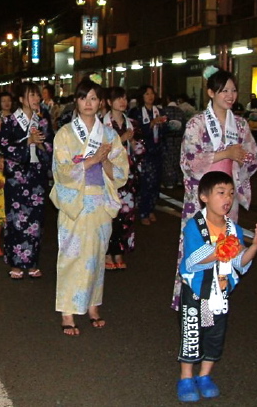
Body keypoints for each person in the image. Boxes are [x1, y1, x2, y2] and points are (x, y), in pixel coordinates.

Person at [173, 67, 257, 310]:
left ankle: (216, 300)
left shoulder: (241, 125)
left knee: (224, 244)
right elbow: (189, 159)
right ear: (211, 92)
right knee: (199, 243)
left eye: (233, 90)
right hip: (202, 196)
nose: (230, 95)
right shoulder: (197, 123)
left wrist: (244, 158)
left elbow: (253, 155)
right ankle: (192, 300)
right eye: (224, 91)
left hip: (226, 196)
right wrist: (225, 153)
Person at [177, 171, 257, 402]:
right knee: (192, 333)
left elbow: (240, 261)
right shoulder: (194, 226)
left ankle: (205, 375)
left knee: (215, 334)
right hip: (197, 291)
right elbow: (192, 260)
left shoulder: (233, 228)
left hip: (220, 291)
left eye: (230, 193)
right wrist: (219, 250)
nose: (227, 198)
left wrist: (255, 246)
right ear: (204, 197)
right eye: (220, 193)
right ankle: (186, 377)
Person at [51, 80, 129, 336]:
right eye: (84, 98)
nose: (88, 103)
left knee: (96, 257)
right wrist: (92, 160)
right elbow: (61, 171)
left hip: (99, 203)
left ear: (100, 103)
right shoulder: (64, 134)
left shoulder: (108, 135)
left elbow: (119, 174)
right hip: (75, 202)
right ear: (77, 101)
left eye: (94, 98)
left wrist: (104, 161)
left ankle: (94, 306)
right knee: (71, 256)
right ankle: (67, 311)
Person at [0, 82, 53, 279]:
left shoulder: (43, 120)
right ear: (21, 99)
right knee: (16, 220)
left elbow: (50, 146)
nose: (35, 99)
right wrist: (27, 142)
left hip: (36, 175)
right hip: (17, 177)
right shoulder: (10, 121)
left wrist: (40, 146)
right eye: (31, 95)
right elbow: (6, 148)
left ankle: (32, 263)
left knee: (36, 220)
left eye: (37, 95)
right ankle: (16, 263)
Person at [102, 86, 143, 270]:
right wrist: (121, 138)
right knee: (109, 214)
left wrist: (133, 142)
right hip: (108, 174)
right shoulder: (101, 124)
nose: (123, 101)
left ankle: (119, 251)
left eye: (125, 98)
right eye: (118, 98)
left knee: (126, 214)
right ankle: (107, 252)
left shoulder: (132, 122)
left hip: (128, 174)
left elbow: (141, 149)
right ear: (109, 102)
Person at [128, 85, 167, 225]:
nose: (150, 96)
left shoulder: (159, 111)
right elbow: (136, 132)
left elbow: (165, 132)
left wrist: (164, 125)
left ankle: (150, 209)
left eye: (152, 93)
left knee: (156, 182)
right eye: (146, 94)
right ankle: (143, 211)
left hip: (157, 150)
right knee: (145, 182)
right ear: (141, 96)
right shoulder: (136, 112)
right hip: (144, 151)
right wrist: (151, 124)